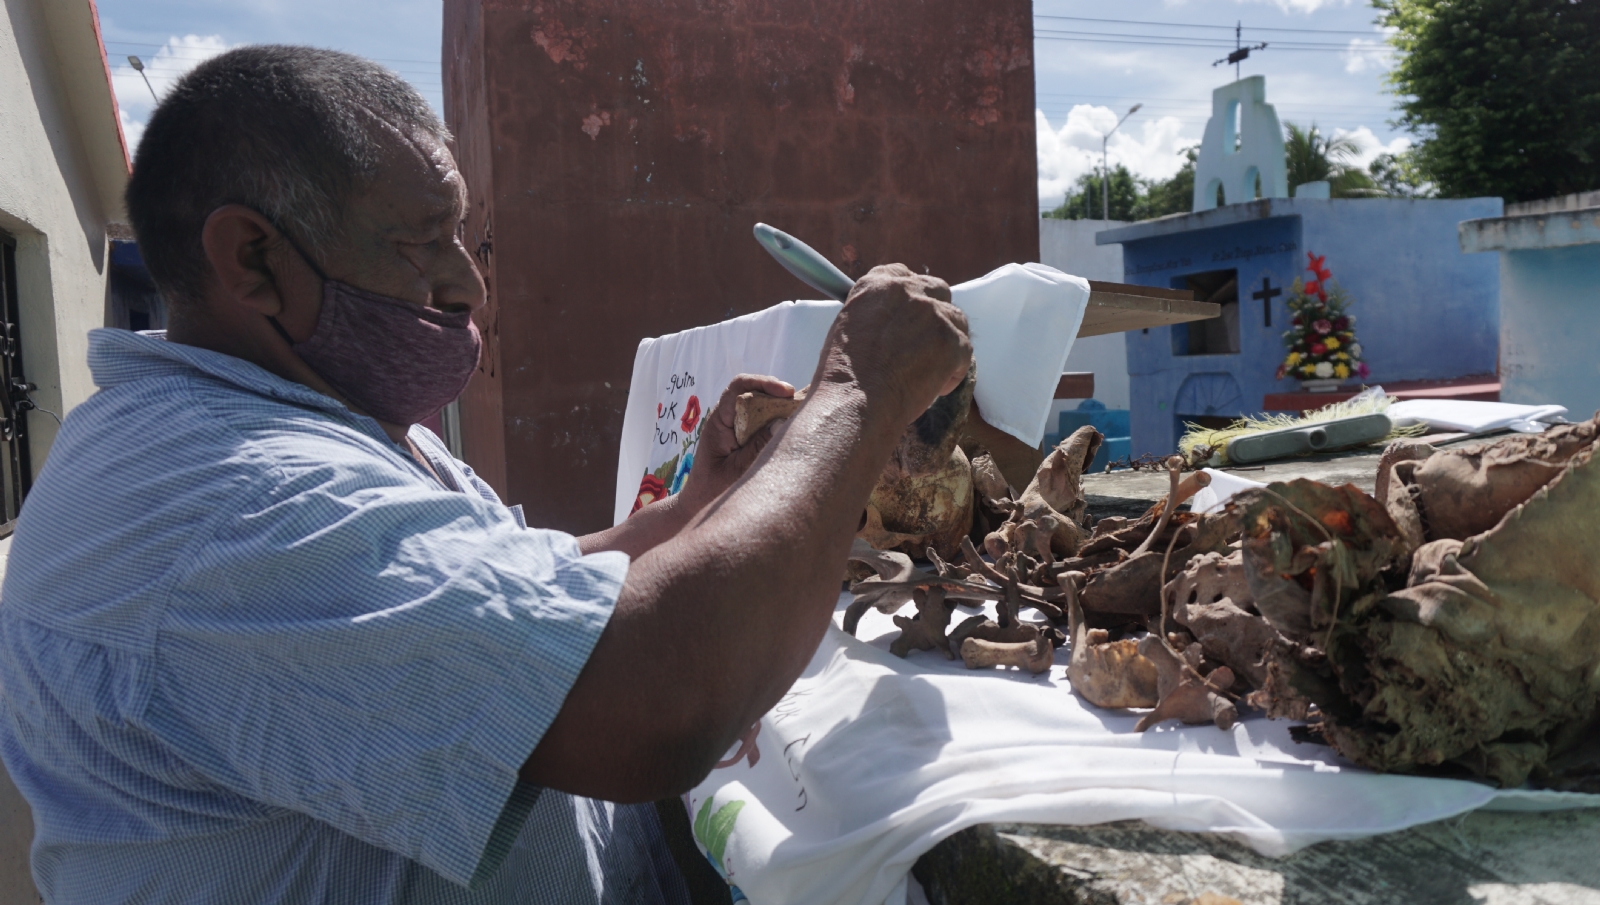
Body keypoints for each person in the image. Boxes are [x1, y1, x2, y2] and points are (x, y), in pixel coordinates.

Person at [0, 45, 969, 904]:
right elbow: (653, 702)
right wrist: (857, 395)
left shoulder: (307, 421)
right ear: (252, 256)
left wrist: (694, 505)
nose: (466, 283)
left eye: (471, 239)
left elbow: (512, 599)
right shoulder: (228, 501)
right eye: (422, 241)